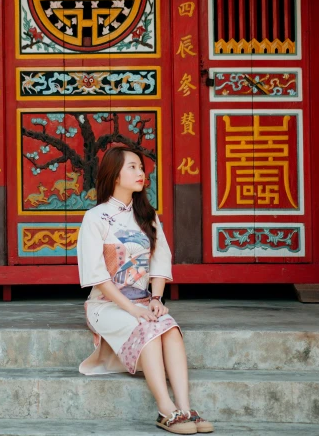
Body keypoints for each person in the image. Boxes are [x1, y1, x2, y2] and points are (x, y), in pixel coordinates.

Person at [76, 145, 214, 434]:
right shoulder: (95, 218)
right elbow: (98, 276)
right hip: (106, 304)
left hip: (142, 300)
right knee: (149, 331)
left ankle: (186, 409)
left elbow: (160, 259)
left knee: (171, 330)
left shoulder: (147, 215)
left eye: (141, 167)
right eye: (133, 167)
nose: (141, 173)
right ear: (115, 175)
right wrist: (133, 309)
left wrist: (156, 299)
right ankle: (166, 410)